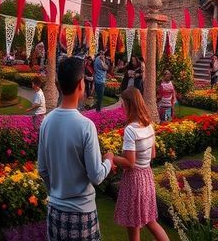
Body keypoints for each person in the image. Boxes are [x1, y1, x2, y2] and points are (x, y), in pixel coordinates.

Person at [37, 57, 114, 241]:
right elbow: (96, 175)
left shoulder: (46, 121)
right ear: (81, 84)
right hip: (82, 212)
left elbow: (42, 169)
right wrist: (109, 160)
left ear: (58, 85)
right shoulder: (85, 126)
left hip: (55, 210)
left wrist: (56, 192)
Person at [112, 87, 169, 241]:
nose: (122, 106)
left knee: (133, 225)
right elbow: (153, 154)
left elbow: (130, 163)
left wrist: (111, 157)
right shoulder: (148, 125)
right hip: (146, 177)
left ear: (130, 104)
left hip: (134, 180)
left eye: (123, 103)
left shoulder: (131, 130)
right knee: (151, 222)